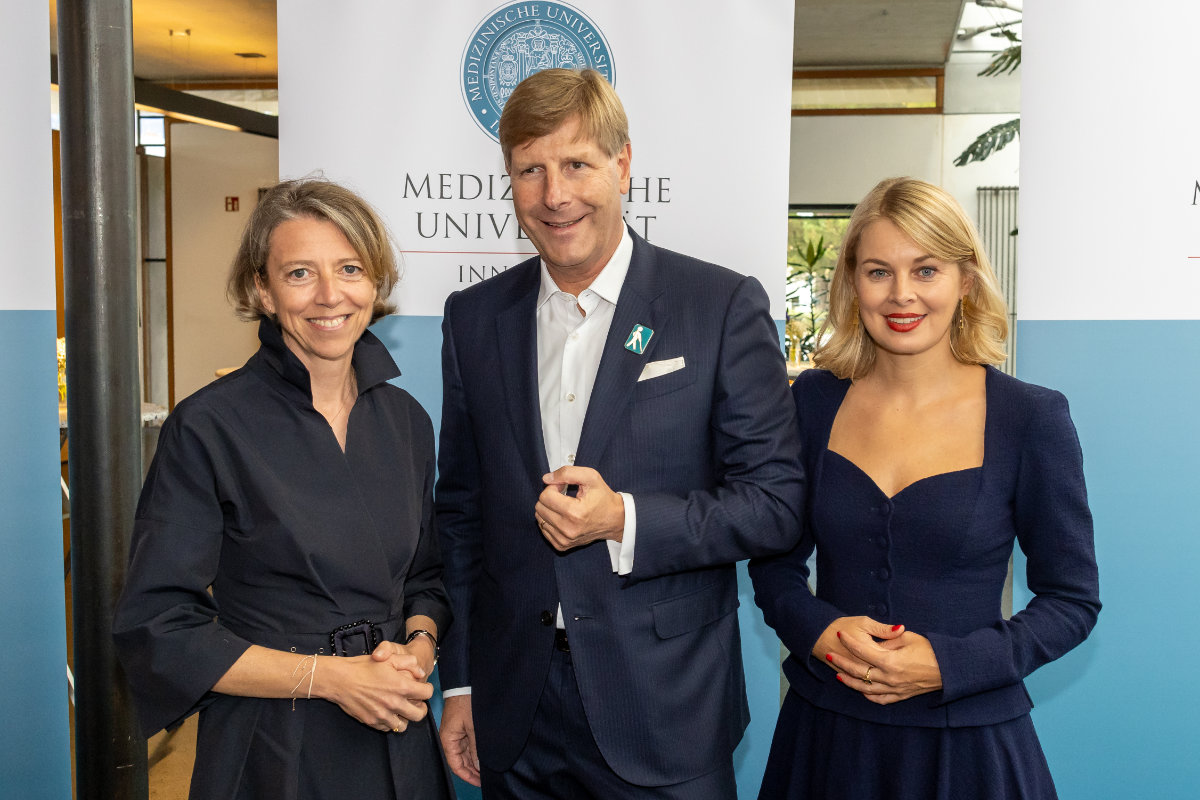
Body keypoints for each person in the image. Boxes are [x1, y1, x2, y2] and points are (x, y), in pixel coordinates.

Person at [435, 68, 804, 798]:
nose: (555, 195)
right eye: (530, 170)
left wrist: (624, 520)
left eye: (577, 164)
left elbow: (776, 505)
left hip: (664, 709)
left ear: (623, 163)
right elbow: (462, 516)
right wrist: (463, 683)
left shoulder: (718, 305)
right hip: (516, 712)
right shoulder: (474, 318)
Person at [750, 177, 1101, 799]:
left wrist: (949, 664)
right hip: (826, 739)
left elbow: (1071, 600)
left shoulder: (1030, 417)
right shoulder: (812, 402)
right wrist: (818, 633)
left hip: (968, 748)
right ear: (852, 282)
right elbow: (774, 564)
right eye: (878, 272)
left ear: (965, 281)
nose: (902, 294)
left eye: (927, 269)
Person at [113, 178, 454, 800]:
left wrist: (419, 649)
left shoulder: (406, 420)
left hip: (397, 730)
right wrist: (333, 679)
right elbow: (159, 625)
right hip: (274, 741)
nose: (330, 295)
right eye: (300, 273)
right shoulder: (209, 426)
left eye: (350, 268)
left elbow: (426, 578)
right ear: (262, 291)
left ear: (374, 283)